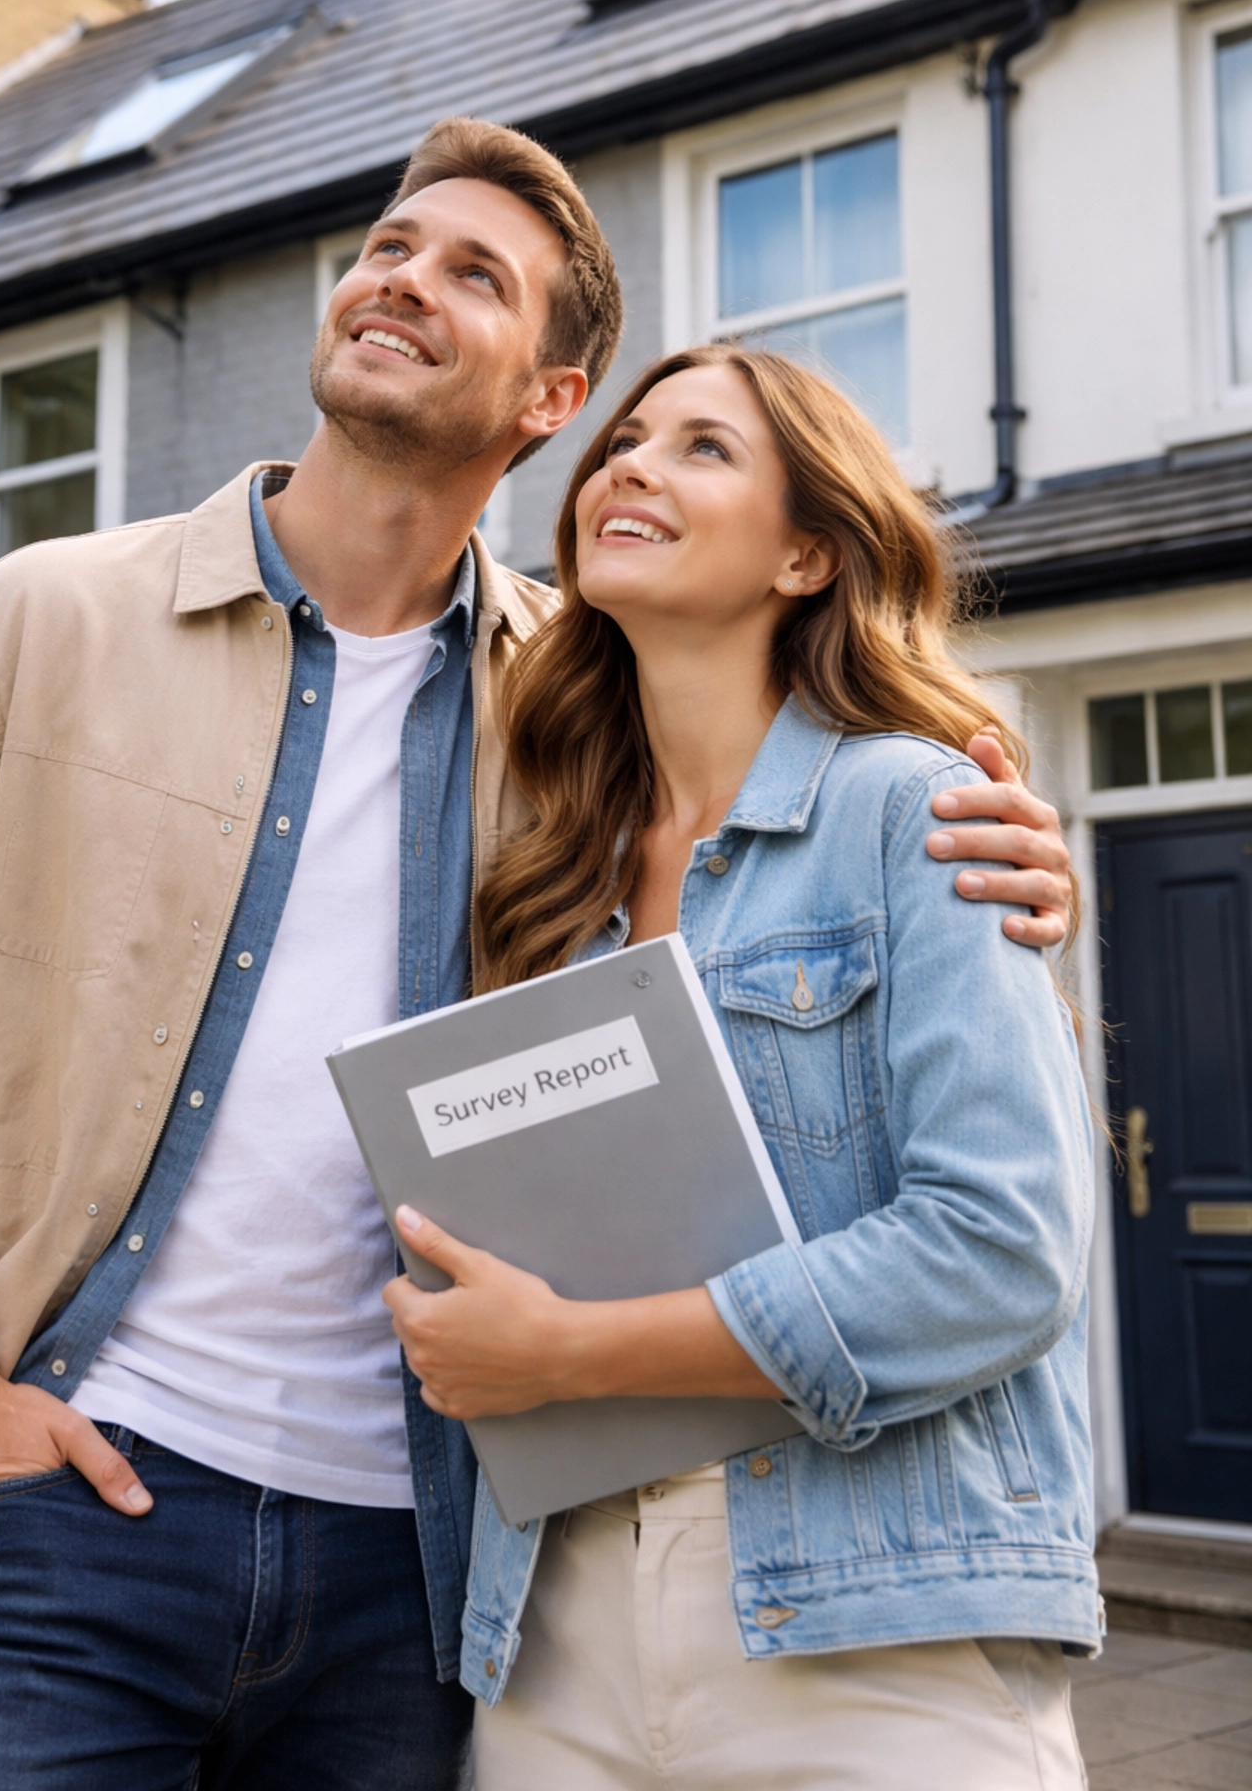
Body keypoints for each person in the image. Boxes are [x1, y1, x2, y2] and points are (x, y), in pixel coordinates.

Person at [0, 126, 1076, 1791]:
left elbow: (781, 844)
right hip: (71, 1514)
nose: (402, 279)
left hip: (427, 1569)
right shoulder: (42, 618)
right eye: (391, 243)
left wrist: (1002, 847)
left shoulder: (576, 712)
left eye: (475, 274)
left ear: (547, 400)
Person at [385, 344, 1099, 1791]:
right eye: (626, 439)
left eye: (703, 448)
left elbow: (1003, 1250)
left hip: (876, 1620)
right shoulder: (542, 881)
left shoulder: (918, 809)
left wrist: (566, 1356)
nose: (629, 463)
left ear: (809, 554)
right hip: (554, 1625)